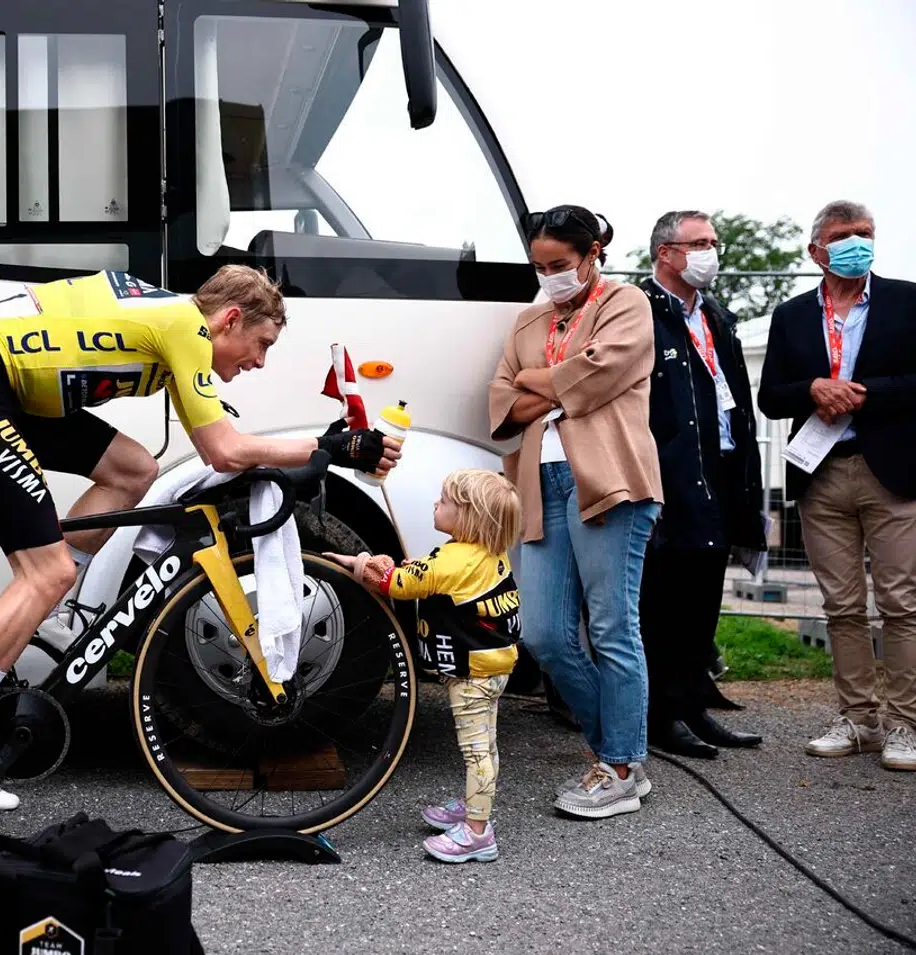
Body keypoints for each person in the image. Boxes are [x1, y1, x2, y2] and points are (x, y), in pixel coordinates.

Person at [0, 266, 404, 809]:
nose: (259, 361)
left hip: (3, 387)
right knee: (47, 572)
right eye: (261, 344)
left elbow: (220, 437)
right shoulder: (185, 327)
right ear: (230, 319)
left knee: (133, 469)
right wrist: (333, 446)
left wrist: (312, 450)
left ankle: (42, 601)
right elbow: (225, 451)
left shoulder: (172, 325)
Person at [487, 205, 663, 819]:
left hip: (612, 478)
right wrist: (555, 385)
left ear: (594, 254)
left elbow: (601, 372)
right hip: (540, 482)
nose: (549, 277)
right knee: (541, 633)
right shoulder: (529, 318)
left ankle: (617, 764)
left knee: (613, 625)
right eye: (539, 266)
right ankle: (621, 750)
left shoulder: (627, 303)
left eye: (560, 264)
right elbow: (501, 404)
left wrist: (538, 381)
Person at [756, 200, 916, 772]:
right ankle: (858, 718)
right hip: (820, 472)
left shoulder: (907, 299)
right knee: (842, 606)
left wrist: (866, 392)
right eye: (844, 235)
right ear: (816, 250)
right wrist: (813, 389)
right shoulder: (792, 314)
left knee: (903, 603)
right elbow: (770, 395)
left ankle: (905, 724)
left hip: (893, 471)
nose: (858, 242)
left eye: (866, 233)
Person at [323, 468, 522, 863]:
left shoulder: (453, 560)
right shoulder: (485, 554)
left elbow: (398, 583)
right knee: (487, 745)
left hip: (471, 673)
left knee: (475, 751)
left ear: (467, 516)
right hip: (495, 667)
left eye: (445, 501)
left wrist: (359, 562)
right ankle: (473, 807)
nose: (436, 504)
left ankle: (477, 833)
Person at [637, 210, 766, 758]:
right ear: (666, 252)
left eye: (713, 242)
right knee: (664, 601)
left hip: (722, 467)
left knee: (703, 601)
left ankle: (694, 705)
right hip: (668, 473)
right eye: (699, 243)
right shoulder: (639, 311)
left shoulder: (717, 315)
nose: (711, 252)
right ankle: (660, 716)